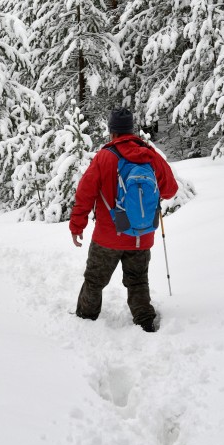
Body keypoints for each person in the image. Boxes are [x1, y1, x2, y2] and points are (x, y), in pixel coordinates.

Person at [70, 107, 178, 332]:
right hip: (142, 235)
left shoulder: (104, 157)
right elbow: (170, 190)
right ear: (131, 130)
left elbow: (85, 193)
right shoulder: (150, 155)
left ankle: (85, 320)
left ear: (112, 132)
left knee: (94, 280)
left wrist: (77, 225)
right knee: (137, 280)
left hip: (108, 236)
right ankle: (145, 321)